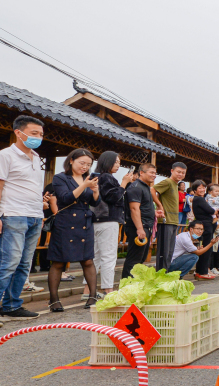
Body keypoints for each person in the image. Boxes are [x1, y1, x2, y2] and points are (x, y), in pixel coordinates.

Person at [0, 115, 46, 319]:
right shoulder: (5, 155)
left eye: (41, 134)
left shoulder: (37, 157)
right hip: (13, 214)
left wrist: (41, 210)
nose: (38, 137)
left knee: (24, 264)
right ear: (19, 132)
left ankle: (11, 305)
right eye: (34, 133)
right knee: (8, 262)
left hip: (35, 216)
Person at [47, 148, 101, 311]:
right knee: (58, 261)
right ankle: (54, 299)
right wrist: (85, 185)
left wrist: (96, 191)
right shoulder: (60, 178)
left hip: (84, 220)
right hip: (65, 221)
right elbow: (64, 198)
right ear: (71, 160)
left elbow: (95, 203)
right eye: (82, 163)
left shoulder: (89, 178)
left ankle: (92, 296)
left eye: (88, 164)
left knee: (88, 260)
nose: (85, 167)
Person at [84, 151, 133, 300]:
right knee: (109, 257)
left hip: (95, 220)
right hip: (108, 220)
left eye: (119, 162)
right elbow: (114, 197)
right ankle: (108, 290)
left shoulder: (94, 176)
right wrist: (124, 183)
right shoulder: (107, 177)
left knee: (95, 257)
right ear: (108, 162)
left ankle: (87, 290)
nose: (118, 165)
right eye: (116, 162)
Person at [122, 163, 160, 279]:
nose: (154, 175)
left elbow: (143, 207)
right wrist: (139, 228)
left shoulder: (146, 187)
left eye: (155, 173)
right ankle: (127, 286)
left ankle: (133, 284)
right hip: (138, 227)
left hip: (145, 226)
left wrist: (154, 213)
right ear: (141, 173)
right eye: (151, 172)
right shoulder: (136, 187)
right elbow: (134, 209)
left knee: (141, 258)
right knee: (134, 258)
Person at [152, 162, 187, 271]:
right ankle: (160, 276)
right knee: (164, 251)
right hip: (165, 221)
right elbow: (152, 190)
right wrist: (159, 205)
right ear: (172, 171)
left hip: (173, 221)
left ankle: (165, 274)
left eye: (183, 173)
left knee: (169, 252)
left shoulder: (175, 185)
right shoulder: (168, 181)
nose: (180, 174)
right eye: (178, 172)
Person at [190, 180, 217, 280]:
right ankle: (202, 272)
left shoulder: (198, 199)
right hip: (205, 225)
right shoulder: (199, 199)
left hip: (204, 225)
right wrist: (215, 211)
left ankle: (200, 271)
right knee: (206, 248)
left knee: (205, 248)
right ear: (195, 190)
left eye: (203, 187)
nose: (202, 190)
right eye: (200, 188)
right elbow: (211, 210)